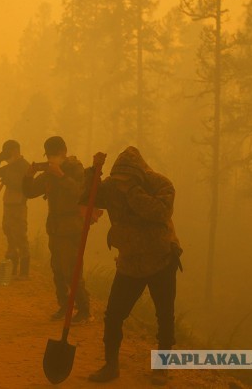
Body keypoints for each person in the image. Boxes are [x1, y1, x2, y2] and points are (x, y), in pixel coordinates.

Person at [84, 146, 182, 385]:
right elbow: (89, 196)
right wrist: (93, 173)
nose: (120, 184)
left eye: (125, 180)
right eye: (118, 180)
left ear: (137, 176)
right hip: (129, 262)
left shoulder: (161, 184)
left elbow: (160, 212)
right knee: (114, 315)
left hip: (161, 259)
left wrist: (133, 192)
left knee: (165, 316)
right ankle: (111, 365)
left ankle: (161, 368)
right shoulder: (112, 186)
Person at [23, 136, 92, 323]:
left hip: (72, 228)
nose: (51, 158)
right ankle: (64, 304)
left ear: (63, 152)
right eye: (49, 155)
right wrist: (29, 175)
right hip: (55, 228)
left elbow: (79, 192)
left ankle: (84, 309)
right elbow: (30, 192)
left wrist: (61, 175)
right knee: (58, 270)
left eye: (54, 154)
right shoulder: (49, 172)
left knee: (72, 270)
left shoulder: (75, 169)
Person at [0, 140, 31, 278]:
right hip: (7, 204)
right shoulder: (9, 166)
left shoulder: (25, 166)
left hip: (19, 206)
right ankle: (12, 266)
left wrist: (9, 181)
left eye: (8, 151)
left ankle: (24, 272)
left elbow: (25, 187)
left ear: (15, 150)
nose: (7, 154)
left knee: (20, 236)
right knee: (9, 234)